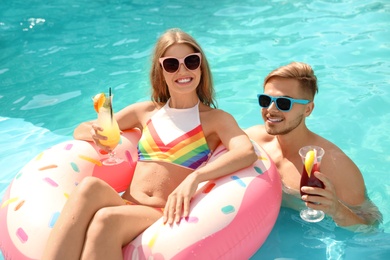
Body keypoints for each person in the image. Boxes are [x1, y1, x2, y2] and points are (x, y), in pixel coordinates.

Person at [42, 28, 257, 260]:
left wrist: (195, 178)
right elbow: (80, 129)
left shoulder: (215, 119)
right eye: (172, 64)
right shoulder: (145, 112)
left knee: (105, 220)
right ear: (161, 71)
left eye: (191, 61)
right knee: (89, 187)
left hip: (161, 213)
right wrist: (96, 133)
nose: (183, 70)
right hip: (127, 203)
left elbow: (246, 152)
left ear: (201, 67)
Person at [245, 62, 382, 230]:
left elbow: (372, 225)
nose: (270, 110)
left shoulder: (334, 165)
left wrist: (336, 209)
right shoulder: (254, 140)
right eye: (265, 100)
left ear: (308, 109)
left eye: (284, 102)